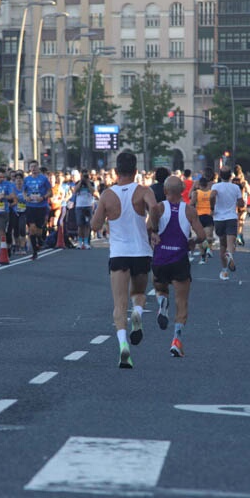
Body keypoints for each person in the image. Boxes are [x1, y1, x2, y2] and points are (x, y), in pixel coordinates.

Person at [90, 152, 157, 370]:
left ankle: (122, 346)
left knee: (119, 304)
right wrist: (152, 227)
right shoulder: (143, 191)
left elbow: (94, 225)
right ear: (136, 171)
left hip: (119, 253)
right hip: (141, 252)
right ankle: (137, 314)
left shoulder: (107, 195)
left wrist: (103, 215)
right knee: (138, 295)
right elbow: (154, 208)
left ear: (116, 172)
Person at [148, 176, 208, 358]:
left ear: (165, 192)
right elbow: (202, 235)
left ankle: (161, 302)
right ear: (182, 191)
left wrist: (154, 235)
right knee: (181, 303)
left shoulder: (158, 208)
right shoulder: (189, 211)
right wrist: (193, 241)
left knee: (160, 288)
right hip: (180, 260)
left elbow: (148, 228)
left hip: (160, 260)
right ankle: (176, 341)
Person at [210, 168, 244, 281]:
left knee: (222, 245)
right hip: (231, 217)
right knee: (230, 243)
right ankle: (230, 254)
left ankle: (224, 270)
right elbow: (241, 203)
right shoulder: (235, 187)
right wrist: (239, 204)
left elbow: (211, 196)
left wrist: (212, 207)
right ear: (230, 176)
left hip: (218, 218)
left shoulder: (216, 186)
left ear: (220, 175)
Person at [22, 160, 52, 260]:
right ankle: (34, 252)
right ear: (29, 168)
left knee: (39, 229)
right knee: (32, 228)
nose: (33, 169)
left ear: (38, 167)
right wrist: (26, 197)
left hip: (41, 206)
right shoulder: (27, 179)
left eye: (35, 166)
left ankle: (39, 240)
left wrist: (43, 198)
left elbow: (50, 192)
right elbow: (24, 192)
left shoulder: (43, 179)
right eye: (32, 167)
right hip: (30, 206)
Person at [191, 174, 214, 264]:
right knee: (209, 237)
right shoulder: (211, 192)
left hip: (199, 217)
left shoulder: (196, 193)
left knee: (200, 238)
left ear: (199, 184)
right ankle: (208, 248)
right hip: (208, 216)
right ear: (207, 184)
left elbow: (192, 203)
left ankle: (203, 256)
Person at [73, 172, 97, 249]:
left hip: (88, 206)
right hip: (79, 206)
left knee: (87, 225)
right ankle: (80, 242)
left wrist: (87, 182)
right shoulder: (77, 183)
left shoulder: (92, 183)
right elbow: (75, 191)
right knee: (80, 225)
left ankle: (86, 242)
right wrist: (81, 182)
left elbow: (93, 192)